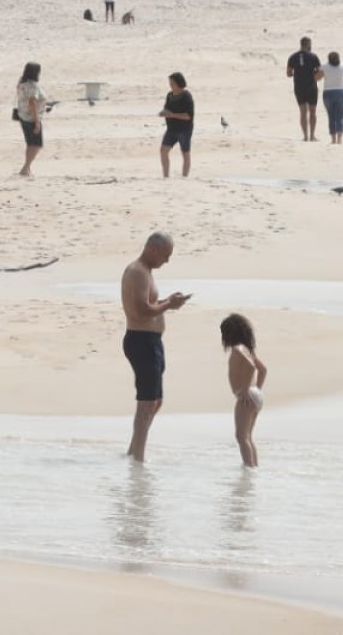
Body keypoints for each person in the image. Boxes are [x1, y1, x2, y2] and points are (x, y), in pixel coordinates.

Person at [121, 232, 190, 461]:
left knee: (155, 401)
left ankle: (133, 451)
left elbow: (149, 304)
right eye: (165, 255)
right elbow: (141, 311)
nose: (167, 261)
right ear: (152, 249)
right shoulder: (138, 272)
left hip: (151, 341)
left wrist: (167, 301)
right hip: (141, 341)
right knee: (147, 402)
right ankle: (138, 460)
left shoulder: (145, 272)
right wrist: (169, 305)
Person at [221, 313, 268, 468]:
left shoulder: (238, 348)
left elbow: (251, 367)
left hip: (248, 394)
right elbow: (263, 370)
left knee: (241, 436)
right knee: (247, 437)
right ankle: (254, 469)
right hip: (255, 395)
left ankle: (248, 470)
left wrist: (247, 389)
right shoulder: (248, 349)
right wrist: (256, 390)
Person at [286, 36, 322, 141]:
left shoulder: (293, 57)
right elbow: (319, 73)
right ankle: (312, 136)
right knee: (312, 112)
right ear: (308, 45)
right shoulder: (313, 56)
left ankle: (305, 136)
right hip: (311, 86)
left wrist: (297, 73)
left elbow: (288, 73)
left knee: (303, 112)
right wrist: (313, 76)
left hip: (299, 86)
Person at [159, 71, 194, 177]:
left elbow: (188, 116)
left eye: (172, 83)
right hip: (171, 129)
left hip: (184, 129)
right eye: (170, 82)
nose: (170, 85)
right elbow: (167, 108)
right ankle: (165, 176)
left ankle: (184, 177)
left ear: (179, 83)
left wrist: (172, 115)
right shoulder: (170, 95)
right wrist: (164, 112)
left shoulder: (186, 96)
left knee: (185, 153)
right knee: (163, 150)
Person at [15, 61, 47, 177]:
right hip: (31, 117)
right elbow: (32, 102)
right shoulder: (32, 86)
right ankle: (25, 168)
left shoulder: (21, 83)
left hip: (23, 115)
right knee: (36, 144)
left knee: (30, 143)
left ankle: (27, 168)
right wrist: (36, 121)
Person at [317, 50, 343, 144]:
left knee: (331, 116)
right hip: (341, 92)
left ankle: (333, 139)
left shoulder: (324, 66)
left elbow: (317, 78)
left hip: (328, 93)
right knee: (341, 116)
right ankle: (339, 138)